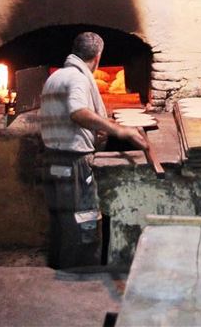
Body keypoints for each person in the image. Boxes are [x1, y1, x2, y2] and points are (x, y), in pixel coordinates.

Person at [39, 31, 147, 269]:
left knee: (63, 224)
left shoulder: (56, 77)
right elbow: (78, 112)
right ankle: (79, 281)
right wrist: (118, 130)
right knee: (84, 225)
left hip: (52, 160)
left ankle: (59, 276)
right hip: (73, 163)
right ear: (98, 57)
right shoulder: (78, 78)